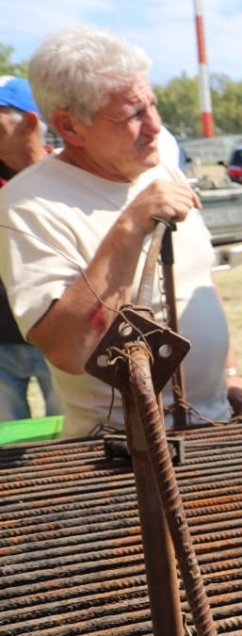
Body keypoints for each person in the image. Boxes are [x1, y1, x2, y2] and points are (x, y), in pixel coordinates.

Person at [0, 27, 242, 438]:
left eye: (152, 104)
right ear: (70, 126)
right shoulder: (28, 205)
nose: (155, 125)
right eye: (134, 114)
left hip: (212, 423)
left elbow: (198, 276)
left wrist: (231, 372)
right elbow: (66, 348)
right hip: (118, 450)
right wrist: (131, 224)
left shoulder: (160, 152)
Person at [0, 76, 61, 422]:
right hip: (1, 342)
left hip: (56, 339)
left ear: (30, 121)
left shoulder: (68, 176)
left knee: (74, 439)